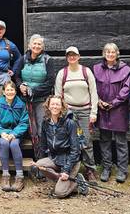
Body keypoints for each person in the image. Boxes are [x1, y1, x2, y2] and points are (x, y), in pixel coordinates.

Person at [54, 46, 99, 183]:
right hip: (69, 112)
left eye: (74, 55)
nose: (72, 57)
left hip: (85, 111)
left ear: (78, 57)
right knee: (69, 140)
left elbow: (94, 92)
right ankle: (68, 169)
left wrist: (94, 112)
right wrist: (59, 113)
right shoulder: (63, 73)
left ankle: (90, 169)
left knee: (86, 141)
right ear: (67, 58)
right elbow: (57, 94)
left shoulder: (86, 72)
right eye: (69, 55)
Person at [31, 95, 87, 198]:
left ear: (62, 107)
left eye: (57, 104)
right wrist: (38, 164)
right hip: (56, 158)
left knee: (59, 193)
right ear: (48, 106)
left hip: (71, 160)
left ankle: (77, 182)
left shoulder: (70, 123)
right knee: (39, 164)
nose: (55, 107)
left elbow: (75, 150)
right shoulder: (46, 122)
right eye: (52, 104)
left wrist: (66, 170)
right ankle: (61, 180)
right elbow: (43, 144)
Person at [93, 42, 130, 183]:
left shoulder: (126, 70)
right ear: (104, 54)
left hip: (118, 110)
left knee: (121, 142)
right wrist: (98, 101)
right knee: (104, 141)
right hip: (102, 109)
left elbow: (126, 90)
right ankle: (106, 168)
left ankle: (122, 170)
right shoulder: (97, 68)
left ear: (117, 54)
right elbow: (93, 87)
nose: (110, 54)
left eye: (113, 52)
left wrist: (113, 103)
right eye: (107, 52)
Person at [13, 34, 52, 152]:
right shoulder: (23, 59)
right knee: (25, 127)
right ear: (30, 45)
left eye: (39, 44)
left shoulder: (47, 60)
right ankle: (22, 156)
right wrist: (20, 86)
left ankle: (42, 157)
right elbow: (16, 75)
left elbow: (50, 81)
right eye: (34, 43)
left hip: (41, 100)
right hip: (25, 100)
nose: (36, 46)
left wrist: (33, 91)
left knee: (41, 128)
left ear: (43, 47)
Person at [0, 80, 29, 192]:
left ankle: (19, 176)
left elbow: (24, 122)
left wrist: (14, 134)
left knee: (14, 144)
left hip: (16, 132)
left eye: (12, 90)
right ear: (3, 92)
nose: (10, 92)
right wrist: (1, 132)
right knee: (4, 143)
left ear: (15, 92)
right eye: (7, 90)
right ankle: (5, 175)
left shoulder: (21, 104)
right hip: (1, 132)